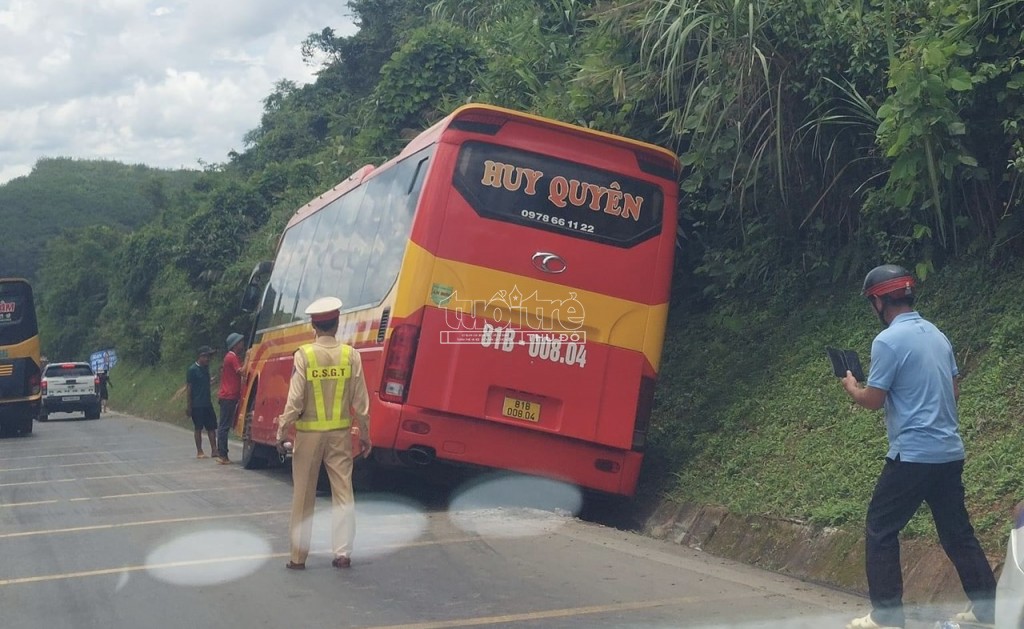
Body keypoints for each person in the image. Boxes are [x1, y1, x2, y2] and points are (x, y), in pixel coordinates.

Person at [841, 264, 996, 629]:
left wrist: (852, 388)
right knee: (957, 532)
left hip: (912, 455)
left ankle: (887, 617)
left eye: (871, 303)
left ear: (880, 301)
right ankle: (988, 609)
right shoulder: (938, 335)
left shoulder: (888, 341)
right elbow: (954, 391)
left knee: (880, 528)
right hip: (949, 452)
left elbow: (874, 399)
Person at [275, 296, 371, 570]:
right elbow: (361, 403)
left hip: (308, 436)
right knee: (343, 492)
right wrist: (365, 434)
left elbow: (294, 401)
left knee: (303, 494)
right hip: (340, 435)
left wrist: (282, 430)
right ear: (337, 323)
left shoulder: (303, 355)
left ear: (313, 326)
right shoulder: (351, 355)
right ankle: (342, 553)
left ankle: (297, 557)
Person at [215, 332, 245, 465]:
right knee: (224, 426)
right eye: (240, 343)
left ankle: (222, 453)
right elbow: (242, 371)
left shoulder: (231, 357)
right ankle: (222, 454)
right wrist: (250, 358)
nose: (242, 345)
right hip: (229, 395)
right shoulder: (231, 357)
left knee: (224, 425)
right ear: (235, 345)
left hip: (228, 395)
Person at [186, 345, 218, 459]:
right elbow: (189, 388)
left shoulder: (206, 368)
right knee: (198, 428)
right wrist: (189, 406)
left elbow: (205, 383)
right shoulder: (192, 370)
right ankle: (199, 451)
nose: (208, 359)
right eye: (207, 356)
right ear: (201, 356)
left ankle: (214, 450)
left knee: (211, 427)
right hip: (197, 404)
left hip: (207, 403)